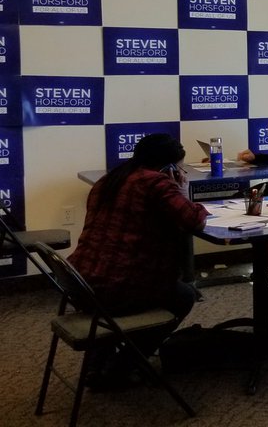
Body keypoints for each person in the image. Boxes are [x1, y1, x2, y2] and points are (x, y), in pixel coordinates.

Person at [69, 133, 209, 390]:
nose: (179, 171)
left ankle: (96, 365)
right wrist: (182, 190)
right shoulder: (156, 183)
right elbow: (194, 220)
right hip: (118, 288)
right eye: (178, 166)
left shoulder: (109, 179)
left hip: (80, 283)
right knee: (184, 296)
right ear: (169, 167)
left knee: (118, 289)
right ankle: (122, 366)